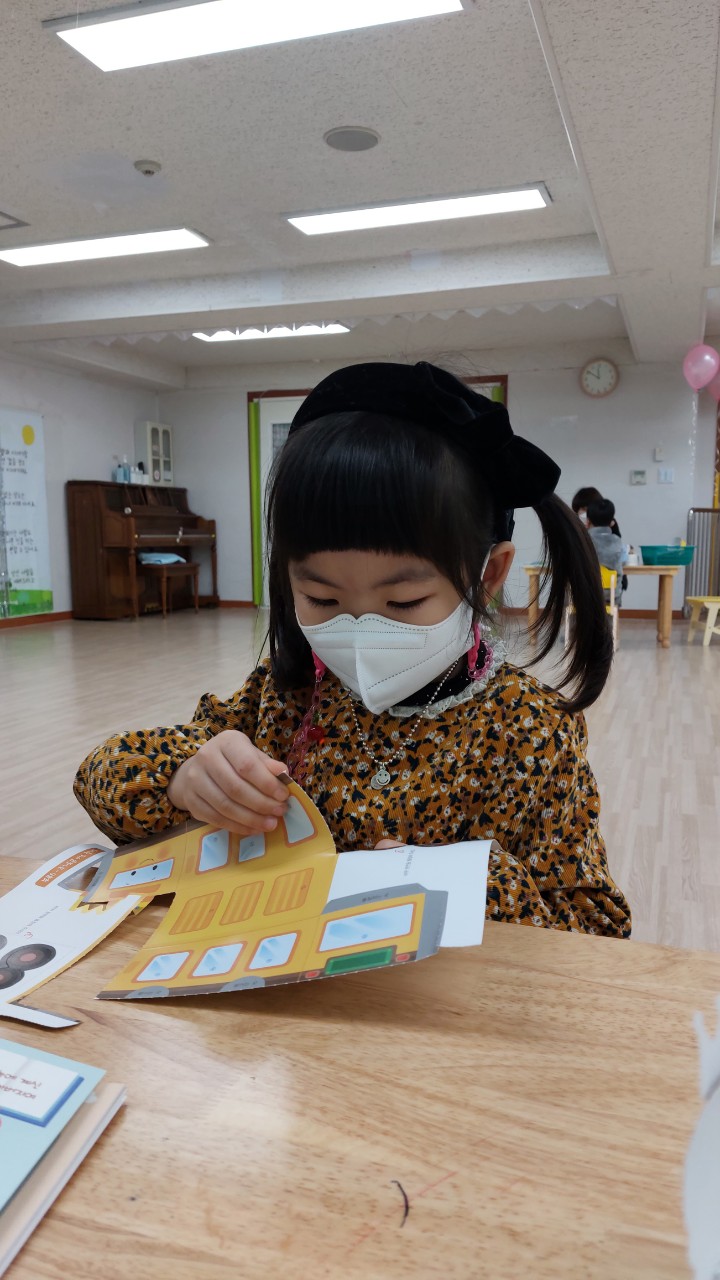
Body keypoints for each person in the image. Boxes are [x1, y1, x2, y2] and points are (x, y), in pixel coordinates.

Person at [74, 362, 631, 938]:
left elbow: (599, 928)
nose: (361, 628)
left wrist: (465, 883)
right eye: (322, 598)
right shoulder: (283, 695)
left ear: (488, 574)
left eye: (403, 602)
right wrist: (184, 777)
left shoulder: (530, 730)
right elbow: (101, 776)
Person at [586, 499, 627, 605]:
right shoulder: (617, 541)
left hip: (586, 593)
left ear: (588, 521)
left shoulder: (583, 541)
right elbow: (623, 562)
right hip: (611, 596)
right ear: (611, 522)